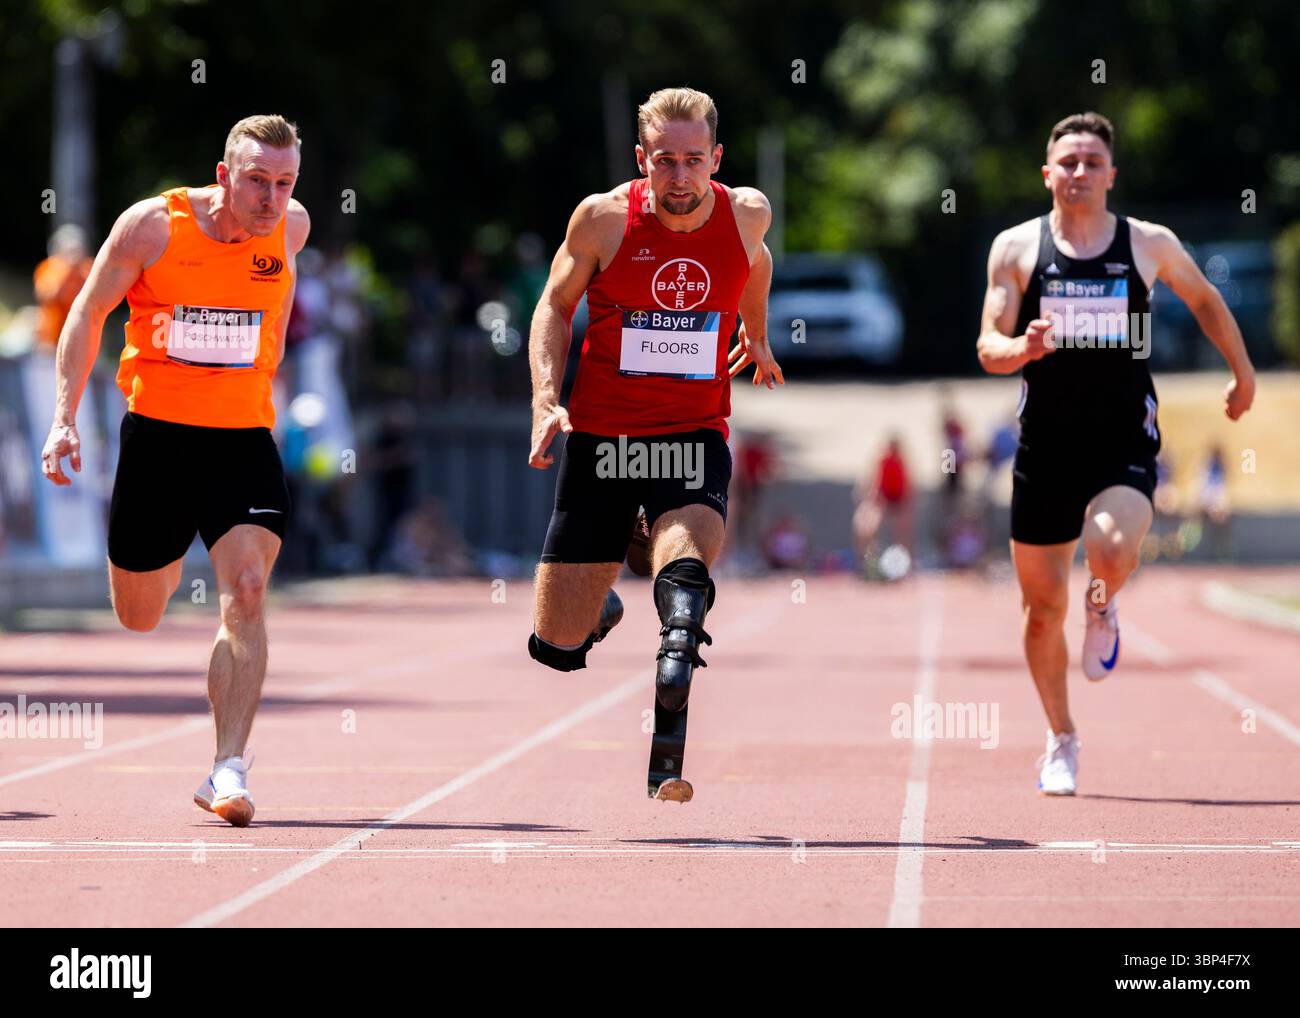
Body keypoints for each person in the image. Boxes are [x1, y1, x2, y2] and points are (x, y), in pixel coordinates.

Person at [40, 114, 311, 826]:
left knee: (247, 591)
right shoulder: (153, 227)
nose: (270, 199)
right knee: (139, 612)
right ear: (224, 175)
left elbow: (276, 311)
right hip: (158, 439)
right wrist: (65, 417)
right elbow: (87, 313)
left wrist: (262, 381)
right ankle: (157, 569)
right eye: (257, 181)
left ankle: (228, 768)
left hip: (242, 440)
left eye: (284, 183)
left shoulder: (292, 229)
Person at [976, 111, 1255, 795]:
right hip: (1044, 447)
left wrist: (1242, 373)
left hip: (1121, 440)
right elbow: (988, 344)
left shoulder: (1146, 244)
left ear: (1110, 175)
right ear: (1048, 173)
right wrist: (1025, 348)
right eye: (1067, 161)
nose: (1079, 172)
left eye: (1091, 162)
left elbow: (1207, 301)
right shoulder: (1015, 247)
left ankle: (1102, 603)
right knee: (1041, 611)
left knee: (1109, 547)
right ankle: (1062, 738)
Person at [526, 86, 783, 800]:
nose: (678, 177)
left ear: (716, 160)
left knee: (687, 574)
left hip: (693, 432)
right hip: (605, 437)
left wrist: (753, 331)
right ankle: (605, 596)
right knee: (555, 646)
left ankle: (677, 654)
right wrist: (547, 400)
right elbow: (554, 305)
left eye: (693, 161)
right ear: (642, 161)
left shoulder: (747, 213)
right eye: (664, 161)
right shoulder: (603, 220)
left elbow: (755, 262)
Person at [34, 224, 94, 350]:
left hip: (82, 335)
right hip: (51, 337)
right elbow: (45, 296)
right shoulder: (48, 268)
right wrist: (66, 272)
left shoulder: (89, 270)